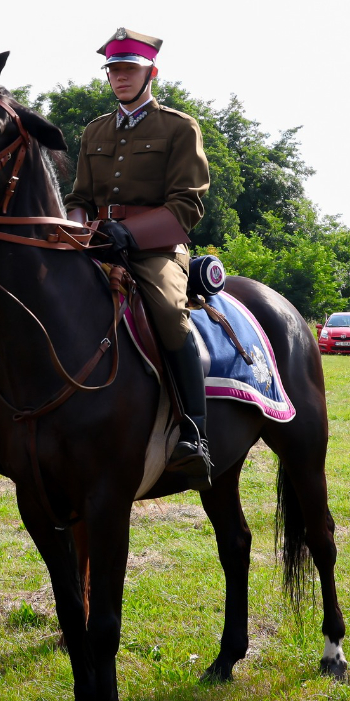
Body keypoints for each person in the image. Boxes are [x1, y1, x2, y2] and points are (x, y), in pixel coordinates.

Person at [64, 27, 212, 490]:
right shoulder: (94, 131)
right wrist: (73, 230)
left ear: (152, 72)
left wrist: (131, 231)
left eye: (129, 69)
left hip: (156, 248)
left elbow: (188, 204)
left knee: (170, 315)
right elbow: (79, 197)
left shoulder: (178, 126)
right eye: (114, 70)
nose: (120, 77)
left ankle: (194, 432)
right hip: (96, 243)